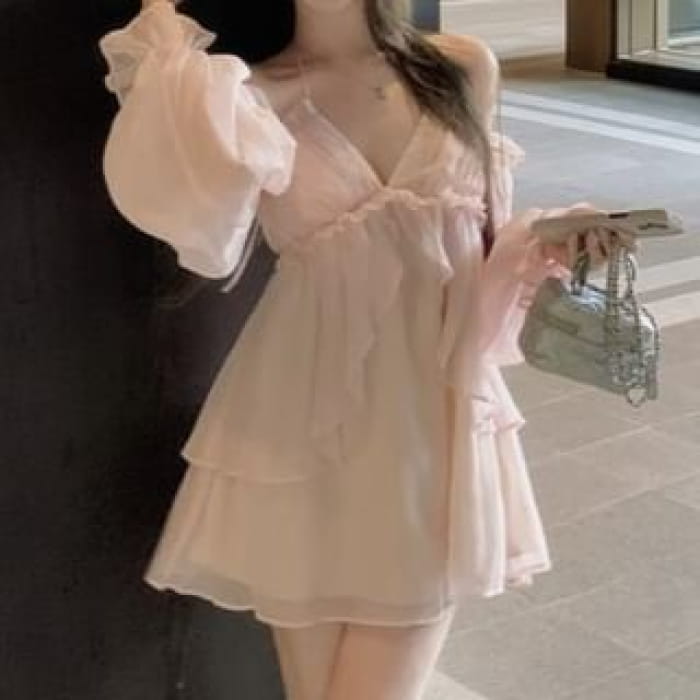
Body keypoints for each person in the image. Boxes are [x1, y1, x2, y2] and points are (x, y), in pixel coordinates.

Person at [97, 1, 634, 698]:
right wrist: (164, 34)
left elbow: (480, 242)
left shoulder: (461, 67)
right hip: (302, 424)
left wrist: (559, 236)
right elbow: (176, 208)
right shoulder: (249, 95)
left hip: (430, 424)